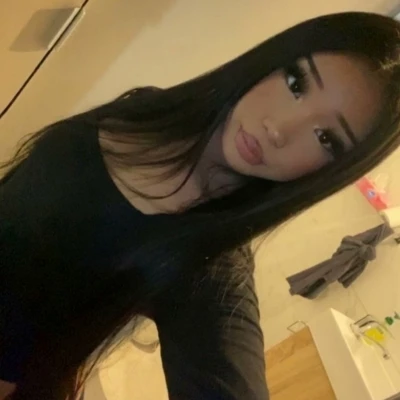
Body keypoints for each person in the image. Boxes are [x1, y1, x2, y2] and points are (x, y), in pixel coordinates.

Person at [1, 11, 400, 400]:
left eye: (326, 138)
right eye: (296, 82)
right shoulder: (149, 108)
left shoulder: (211, 266)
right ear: (275, 58)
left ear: (332, 170)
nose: (278, 128)